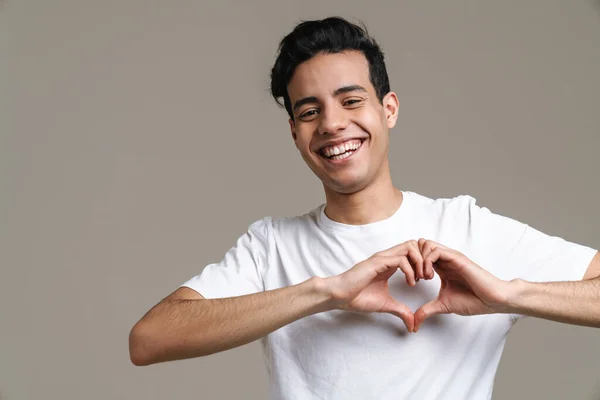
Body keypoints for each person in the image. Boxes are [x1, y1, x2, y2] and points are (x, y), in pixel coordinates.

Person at [129, 16, 600, 399]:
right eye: (310, 111)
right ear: (295, 132)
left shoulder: (465, 227)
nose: (333, 124)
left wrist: (507, 294)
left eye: (351, 100)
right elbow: (149, 340)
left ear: (388, 109)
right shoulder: (271, 246)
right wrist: (326, 293)